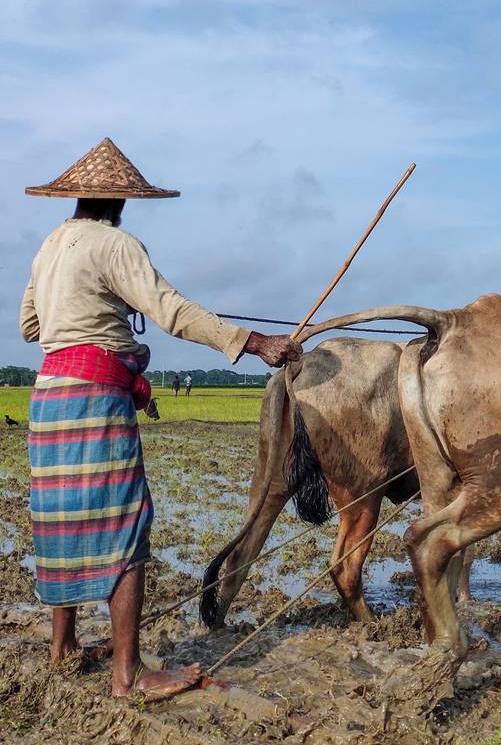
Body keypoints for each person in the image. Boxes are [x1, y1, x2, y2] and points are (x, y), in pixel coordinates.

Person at [19, 138, 301, 701]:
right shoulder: (116, 244)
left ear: (77, 197)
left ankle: (62, 647)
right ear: (121, 200)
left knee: (60, 520)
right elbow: (170, 310)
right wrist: (253, 341)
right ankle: (128, 677)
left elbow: (31, 327)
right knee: (128, 521)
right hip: (94, 402)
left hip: (49, 397)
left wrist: (95, 306)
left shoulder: (51, 243)